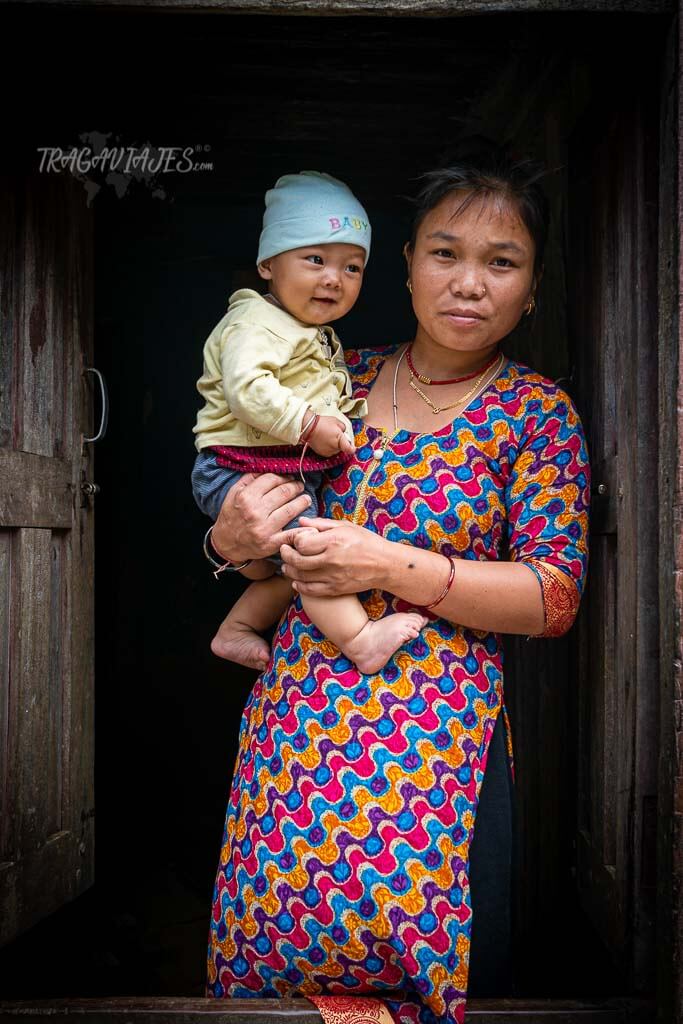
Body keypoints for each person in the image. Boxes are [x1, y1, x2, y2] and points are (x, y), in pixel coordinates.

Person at [203, 151, 591, 1024]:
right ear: (407, 265)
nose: (468, 283)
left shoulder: (534, 414)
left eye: (502, 262)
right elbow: (266, 535)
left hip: (435, 744)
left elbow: (553, 598)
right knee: (276, 964)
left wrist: (385, 566)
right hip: (298, 734)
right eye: (445, 253)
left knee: (436, 972)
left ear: (531, 291)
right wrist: (227, 540)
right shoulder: (328, 381)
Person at [192, 170, 427, 676]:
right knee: (314, 555)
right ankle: (361, 640)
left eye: (352, 267)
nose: (333, 278)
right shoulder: (255, 323)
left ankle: (234, 630)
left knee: (291, 565)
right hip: (241, 468)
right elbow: (247, 389)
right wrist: (309, 426)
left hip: (269, 469)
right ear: (268, 264)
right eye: (315, 259)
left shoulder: (305, 332)